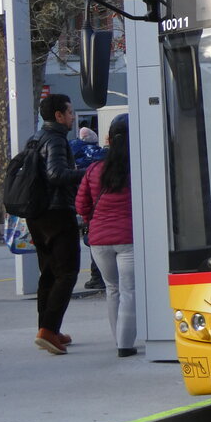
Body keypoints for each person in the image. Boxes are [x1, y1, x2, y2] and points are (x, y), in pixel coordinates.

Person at [75, 114, 139, 357]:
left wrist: (95, 223)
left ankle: (118, 340)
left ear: (108, 139)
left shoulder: (93, 169)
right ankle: (125, 344)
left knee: (112, 289)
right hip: (129, 239)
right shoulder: (139, 170)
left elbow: (81, 205)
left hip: (99, 241)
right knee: (129, 290)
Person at [31, 93, 86, 355]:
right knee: (67, 273)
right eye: (71, 112)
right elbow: (56, 174)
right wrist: (87, 173)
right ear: (59, 116)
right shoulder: (55, 140)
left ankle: (48, 328)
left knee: (49, 274)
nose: (73, 117)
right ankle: (48, 330)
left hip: (37, 214)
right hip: (57, 213)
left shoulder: (35, 139)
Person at [71, 126, 107, 290]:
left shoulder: (72, 151)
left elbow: (81, 202)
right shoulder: (102, 158)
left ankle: (97, 277)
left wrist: (86, 218)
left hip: (95, 215)